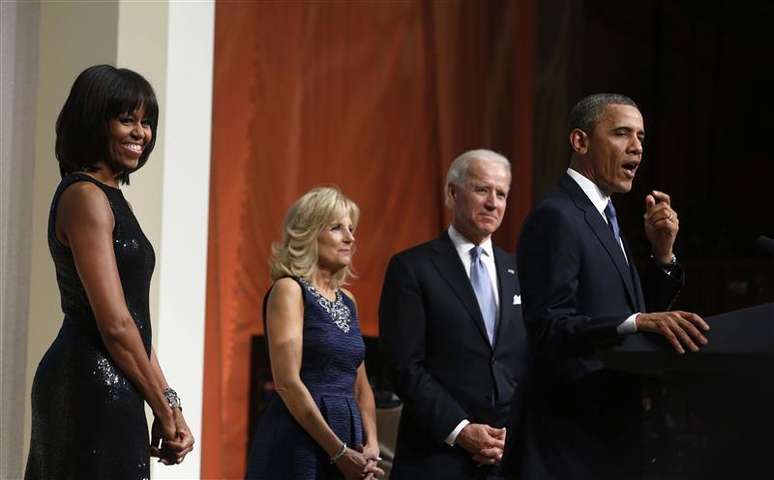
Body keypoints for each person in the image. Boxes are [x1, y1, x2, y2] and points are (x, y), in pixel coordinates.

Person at [513, 93, 710, 479]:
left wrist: (662, 255)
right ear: (580, 141)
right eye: (621, 133)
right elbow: (548, 326)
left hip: (612, 435)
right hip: (569, 443)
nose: (636, 147)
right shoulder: (557, 216)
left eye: (641, 137)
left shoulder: (604, 214)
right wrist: (634, 323)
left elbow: (636, 312)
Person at [25, 65, 194, 479]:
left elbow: (134, 323)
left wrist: (171, 404)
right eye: (126, 119)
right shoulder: (84, 196)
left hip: (117, 382)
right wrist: (161, 407)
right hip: (88, 384)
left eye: (146, 122)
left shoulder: (112, 197)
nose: (141, 132)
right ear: (93, 122)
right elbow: (115, 324)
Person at [379, 149, 531, 480]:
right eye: (482, 189)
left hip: (506, 458)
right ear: (452, 193)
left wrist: (513, 432)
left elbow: (525, 362)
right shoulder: (412, 268)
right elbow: (404, 366)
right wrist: (460, 430)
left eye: (501, 194)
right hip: (436, 458)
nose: (493, 203)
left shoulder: (520, 271)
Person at [245, 187, 384, 480]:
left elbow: (361, 386)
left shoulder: (348, 301)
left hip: (347, 436)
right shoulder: (289, 290)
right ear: (308, 234)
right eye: (336, 228)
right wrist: (338, 452)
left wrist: (372, 444)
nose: (350, 238)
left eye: (351, 228)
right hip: (300, 439)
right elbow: (287, 383)